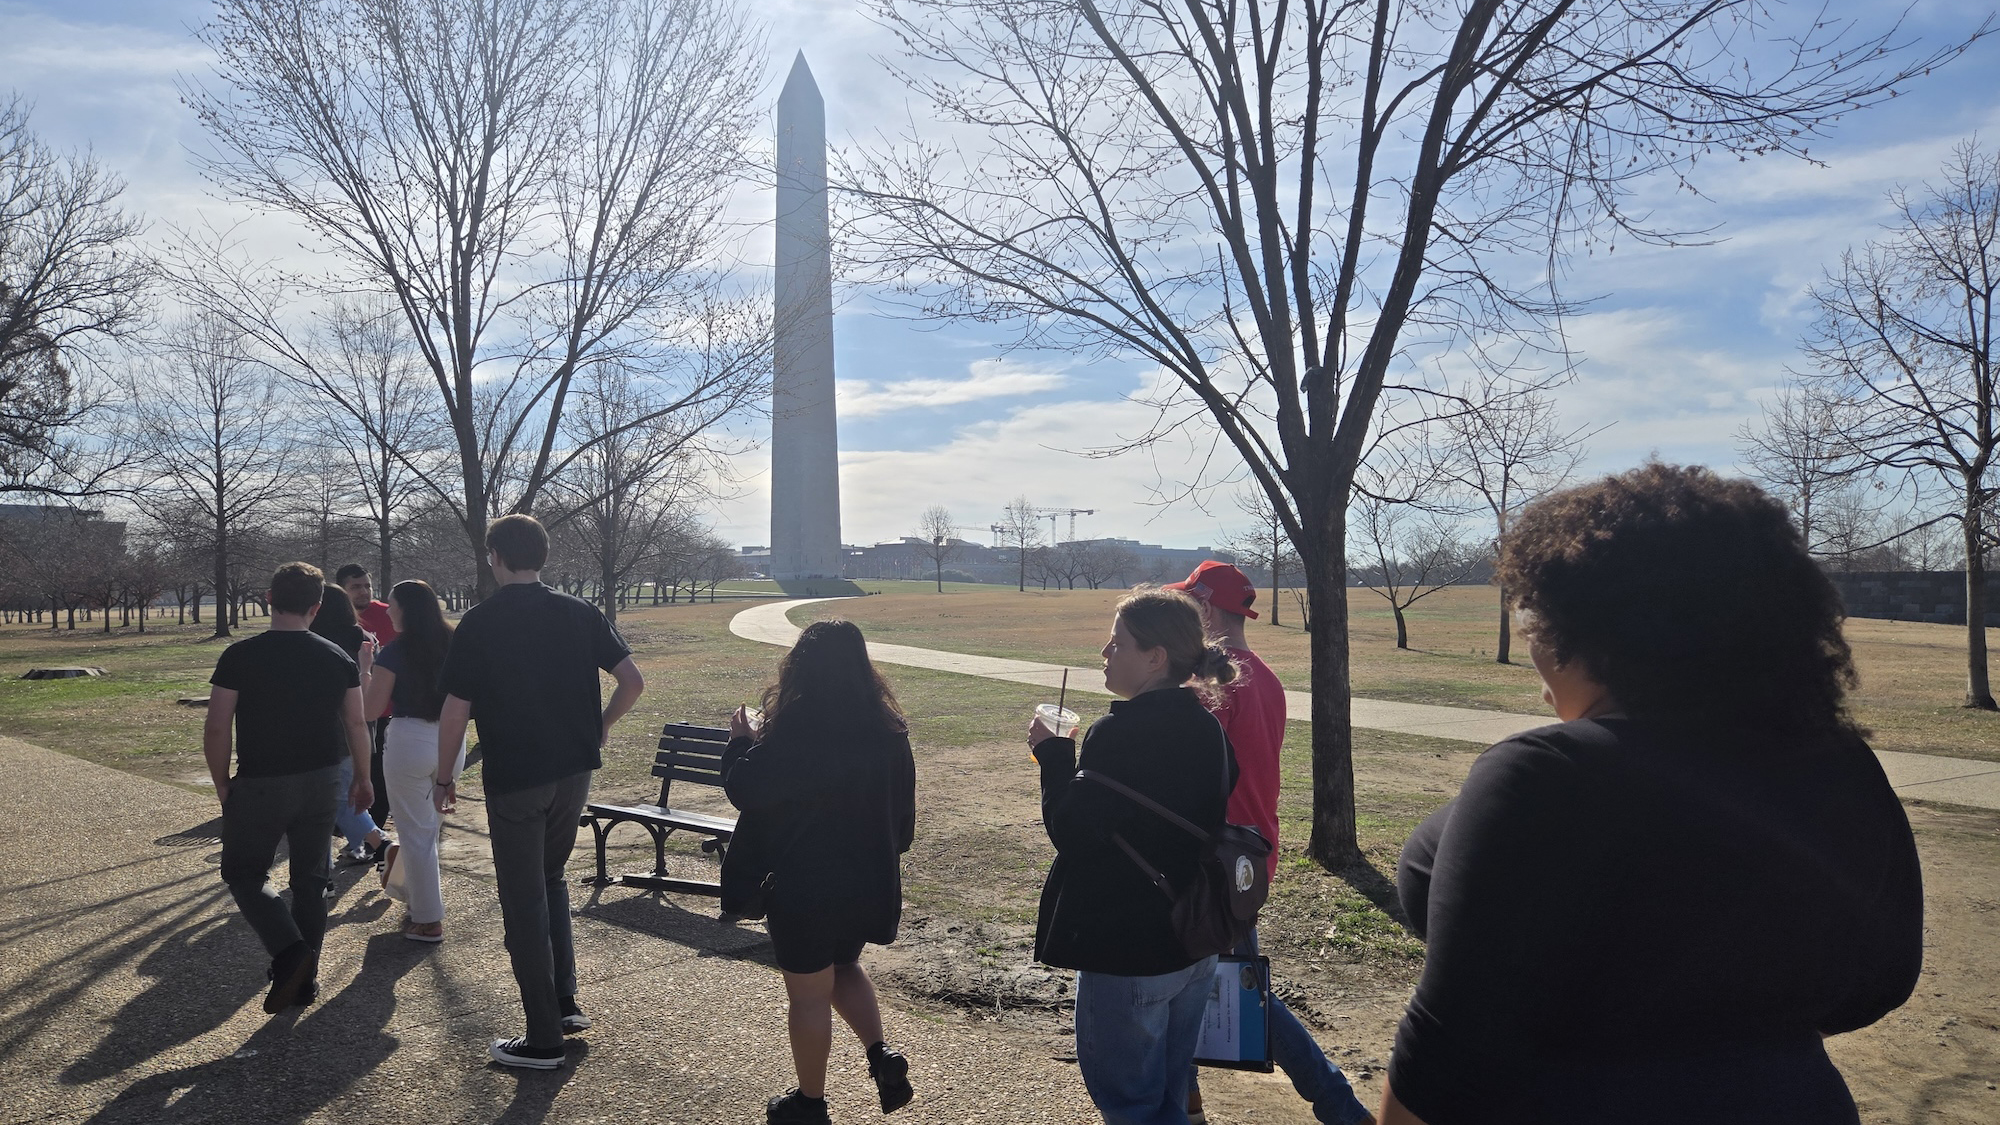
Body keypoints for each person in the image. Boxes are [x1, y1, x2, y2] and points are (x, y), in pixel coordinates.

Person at [1381, 464, 1924, 1125]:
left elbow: (1441, 1071)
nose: (1532, 653)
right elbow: (1879, 981)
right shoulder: (1842, 765)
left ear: (1588, 631)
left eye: (1535, 621)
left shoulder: (1544, 776)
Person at [434, 514, 645, 1070]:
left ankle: (543, 1035)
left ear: (495, 556)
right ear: (543, 556)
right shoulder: (580, 612)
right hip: (573, 771)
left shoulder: (477, 624)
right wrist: (601, 724)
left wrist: (443, 776)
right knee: (549, 881)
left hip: (516, 777)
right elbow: (633, 681)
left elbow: (456, 709)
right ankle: (564, 1002)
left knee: (523, 899)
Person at [1165, 561, 1373, 1125]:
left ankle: (1342, 1108)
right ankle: (1186, 1102)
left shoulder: (1212, 683)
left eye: (1189, 601)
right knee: (1197, 978)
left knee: (1233, 989)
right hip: (1251, 854)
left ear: (1206, 608)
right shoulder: (1267, 677)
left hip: (1212, 856)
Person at [1029, 587, 1239, 1125]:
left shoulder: (1120, 733)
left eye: (1117, 642)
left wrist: (1054, 758)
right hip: (1191, 937)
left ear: (1155, 657)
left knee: (1132, 1106)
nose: (1105, 651)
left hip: (1129, 947)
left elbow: (1074, 833)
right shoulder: (1208, 726)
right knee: (1168, 1096)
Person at [721, 619, 919, 1125]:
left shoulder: (797, 726)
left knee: (808, 995)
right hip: (868, 879)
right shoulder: (889, 729)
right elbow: (903, 821)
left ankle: (809, 1104)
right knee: (845, 968)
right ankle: (882, 1058)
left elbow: (746, 789)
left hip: (805, 885)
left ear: (799, 667)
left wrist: (742, 741)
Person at [203, 562, 373, 1013]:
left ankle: (290, 952)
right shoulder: (337, 656)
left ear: (268, 598)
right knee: (311, 880)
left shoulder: (239, 656)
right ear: (317, 607)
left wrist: (221, 783)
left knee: (244, 873)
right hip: (320, 781)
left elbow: (218, 727)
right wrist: (363, 776)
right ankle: (305, 981)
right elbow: (356, 723)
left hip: (262, 780)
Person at [362, 579, 464, 943]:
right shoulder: (454, 640)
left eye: (392, 604)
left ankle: (427, 918)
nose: (387, 610)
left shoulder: (394, 650)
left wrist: (364, 668)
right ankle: (412, 897)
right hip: (453, 740)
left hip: (410, 739)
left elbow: (371, 709)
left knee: (417, 834)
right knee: (426, 831)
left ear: (406, 608)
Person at [309, 585, 391, 868]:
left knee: (337, 801)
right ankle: (330, 867)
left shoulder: (316, 642)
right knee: (339, 799)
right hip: (362, 728)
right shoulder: (364, 638)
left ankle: (381, 844)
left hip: (329, 730)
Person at [337, 563, 397, 828]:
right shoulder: (331, 618)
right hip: (344, 712)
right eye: (355, 587)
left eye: (367, 586)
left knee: (378, 775)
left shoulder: (389, 615)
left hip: (383, 711)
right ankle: (351, 827)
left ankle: (373, 832)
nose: (363, 592)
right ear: (342, 590)